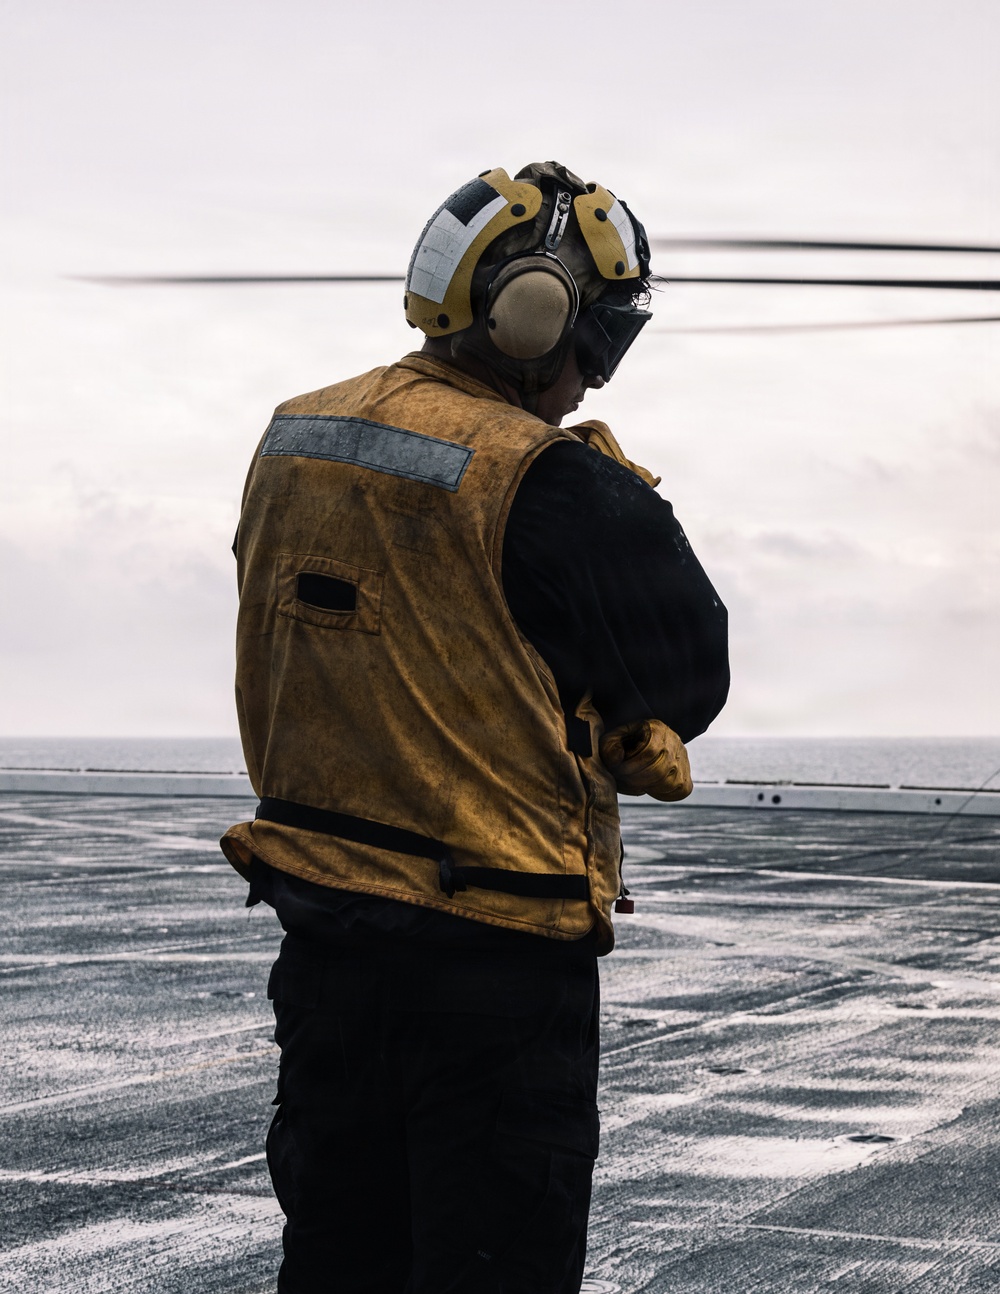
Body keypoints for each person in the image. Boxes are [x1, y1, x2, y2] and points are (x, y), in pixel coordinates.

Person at [221, 161, 729, 1294]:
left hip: (327, 945)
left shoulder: (291, 438)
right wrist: (616, 524)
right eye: (596, 338)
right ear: (529, 314)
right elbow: (690, 674)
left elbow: (403, 630)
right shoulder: (548, 479)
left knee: (340, 1256)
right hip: (496, 964)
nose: (591, 375)